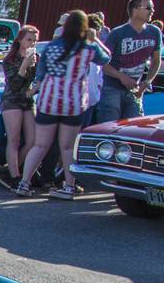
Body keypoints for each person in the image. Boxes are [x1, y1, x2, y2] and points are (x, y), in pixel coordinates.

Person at [17, 10, 108, 200]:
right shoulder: (87, 48)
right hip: (73, 103)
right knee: (67, 147)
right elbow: (106, 58)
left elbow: (41, 73)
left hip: (49, 101)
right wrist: (94, 39)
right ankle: (69, 186)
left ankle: (24, 183)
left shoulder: (51, 47)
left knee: (40, 145)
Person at [96, 0, 163, 124]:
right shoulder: (117, 33)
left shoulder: (154, 32)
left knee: (135, 125)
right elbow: (104, 64)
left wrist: (147, 81)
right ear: (135, 9)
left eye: (152, 8)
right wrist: (121, 77)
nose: (152, 11)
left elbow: (156, 60)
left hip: (135, 89)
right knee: (109, 126)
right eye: (148, 8)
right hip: (112, 88)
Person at [0, 25, 39, 192]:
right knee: (13, 139)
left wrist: (35, 89)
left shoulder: (37, 57)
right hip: (12, 100)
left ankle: (13, 170)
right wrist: (24, 65)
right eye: (29, 39)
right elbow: (13, 84)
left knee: (33, 141)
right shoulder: (10, 59)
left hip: (27, 100)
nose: (31, 43)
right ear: (20, 40)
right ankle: (14, 176)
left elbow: (39, 79)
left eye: (34, 40)